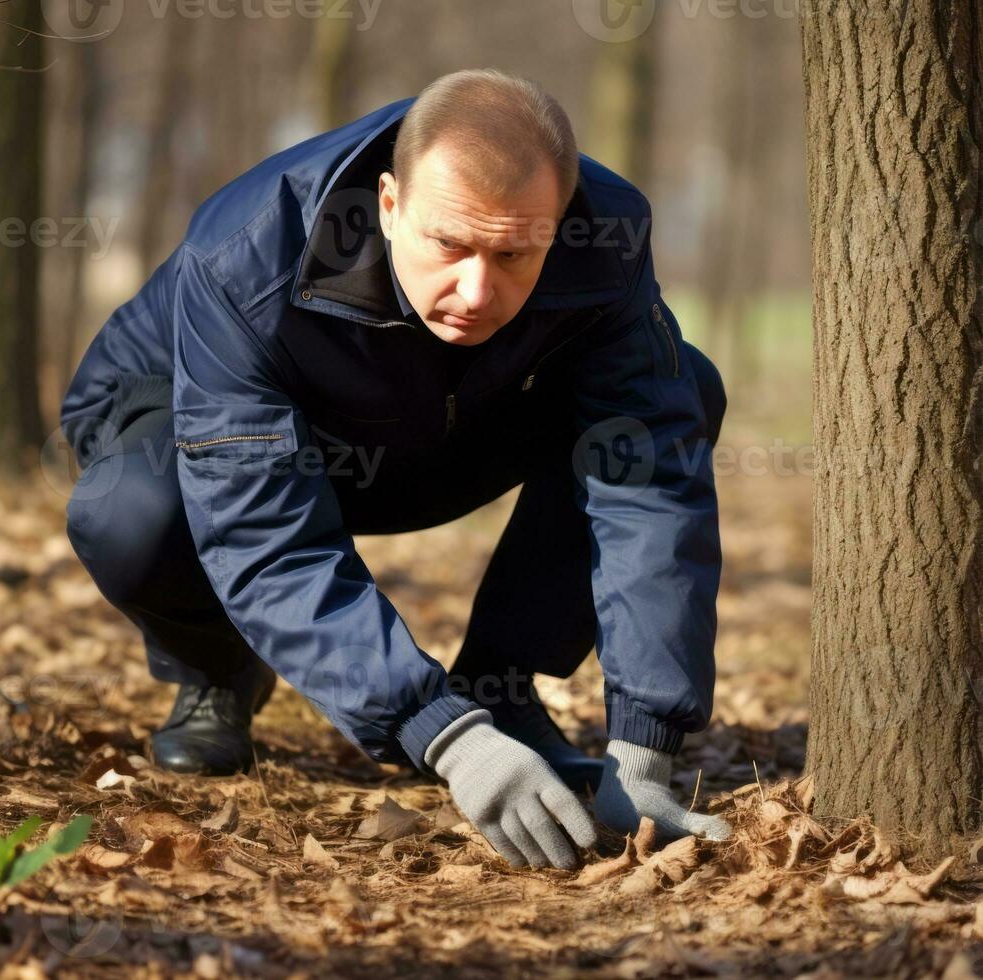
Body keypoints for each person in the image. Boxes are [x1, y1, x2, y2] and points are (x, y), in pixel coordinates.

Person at [61, 68, 731, 870]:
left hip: (432, 425)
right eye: (449, 245)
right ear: (387, 205)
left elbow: (644, 477)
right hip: (200, 440)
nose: (477, 290)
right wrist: (438, 735)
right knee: (127, 510)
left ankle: (501, 686)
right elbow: (260, 529)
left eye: (515, 253)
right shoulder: (243, 255)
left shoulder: (608, 234)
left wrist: (645, 751)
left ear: (559, 224)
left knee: (681, 387)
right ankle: (218, 669)